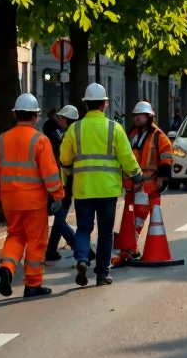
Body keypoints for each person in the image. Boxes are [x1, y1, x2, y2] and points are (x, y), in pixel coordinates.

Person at [60, 83, 143, 287]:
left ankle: (81, 258)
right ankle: (102, 274)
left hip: (83, 189)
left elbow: (64, 158)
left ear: (86, 104)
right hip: (107, 190)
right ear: (105, 104)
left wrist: (69, 173)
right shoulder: (115, 128)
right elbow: (126, 157)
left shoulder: (75, 128)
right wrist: (137, 175)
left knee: (83, 228)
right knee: (106, 233)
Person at [0, 94, 65, 298]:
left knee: (15, 236)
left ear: (16, 114)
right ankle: (32, 284)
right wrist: (58, 196)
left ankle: (6, 266)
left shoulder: (1, 140)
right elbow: (50, 174)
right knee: (36, 241)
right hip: (34, 202)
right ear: (35, 116)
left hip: (10, 201)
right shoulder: (40, 140)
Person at [114, 101, 173, 265]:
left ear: (149, 117)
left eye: (139, 115)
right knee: (133, 216)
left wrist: (163, 177)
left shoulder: (158, 135)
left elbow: (166, 156)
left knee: (140, 216)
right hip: (133, 184)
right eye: (135, 115)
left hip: (149, 183)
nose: (136, 118)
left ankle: (131, 247)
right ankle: (129, 246)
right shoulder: (131, 134)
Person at [43, 105, 95, 263]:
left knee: (58, 216)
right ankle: (51, 250)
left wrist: (51, 122)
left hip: (59, 181)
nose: (58, 120)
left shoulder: (61, 134)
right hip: (71, 180)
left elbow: (51, 134)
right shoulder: (77, 133)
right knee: (60, 215)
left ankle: (77, 245)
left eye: (60, 118)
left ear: (65, 120)